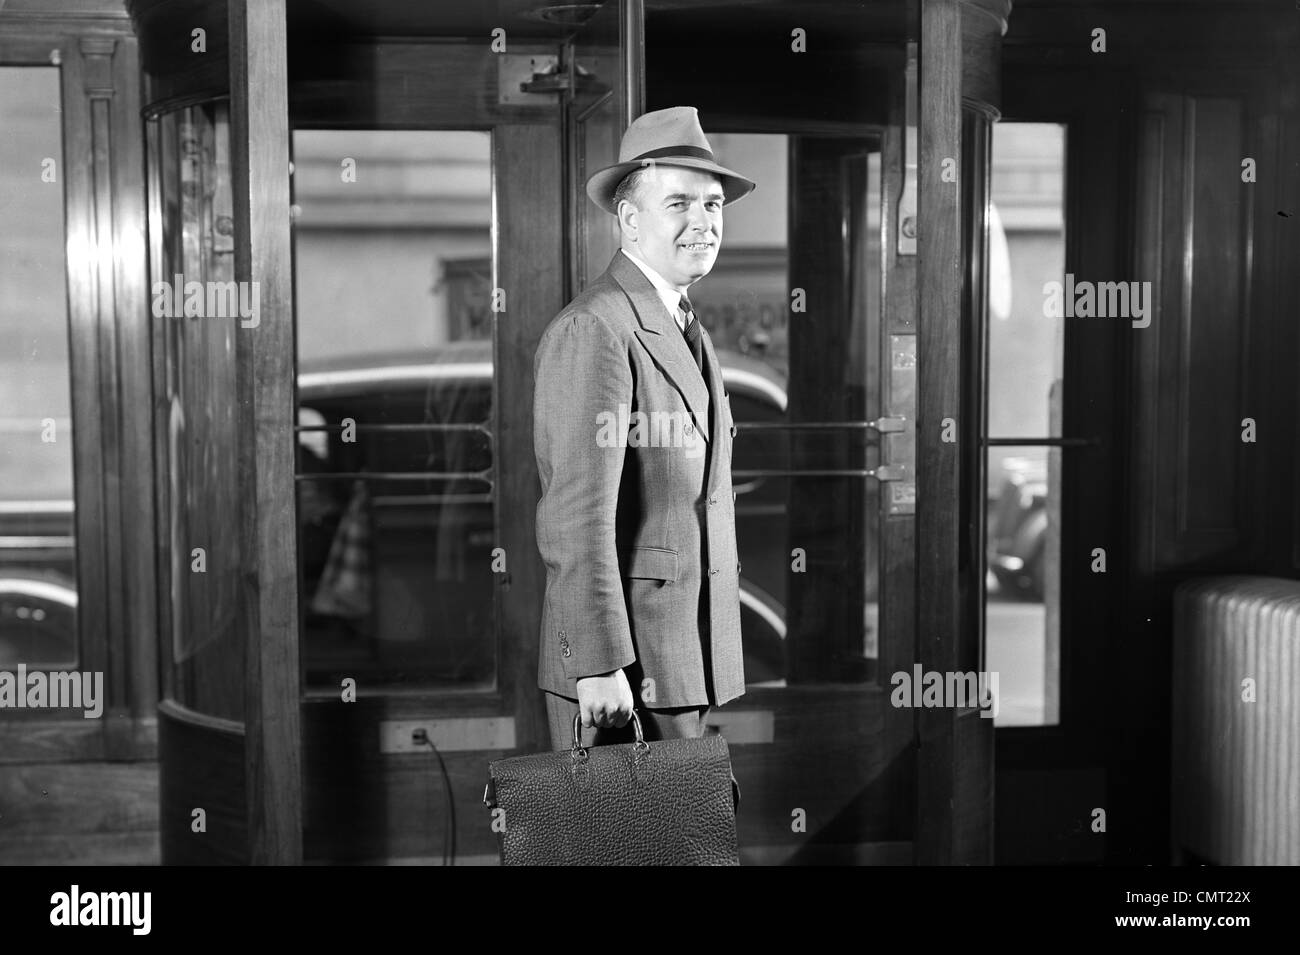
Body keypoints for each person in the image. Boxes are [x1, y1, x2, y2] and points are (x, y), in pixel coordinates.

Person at [532, 106, 757, 751]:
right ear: (630, 220)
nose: (703, 223)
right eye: (679, 203)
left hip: (680, 653)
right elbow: (576, 514)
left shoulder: (681, 322)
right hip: (624, 670)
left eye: (713, 206)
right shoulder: (597, 327)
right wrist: (599, 668)